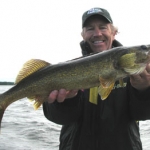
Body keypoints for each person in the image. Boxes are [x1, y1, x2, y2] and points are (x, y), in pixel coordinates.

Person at [43, 7, 150, 150]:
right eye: (90, 29)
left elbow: (143, 114)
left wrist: (144, 91)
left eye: (103, 27)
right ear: (83, 35)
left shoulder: (136, 73)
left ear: (114, 32)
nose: (97, 33)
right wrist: (65, 101)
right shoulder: (68, 69)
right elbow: (60, 118)